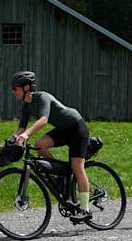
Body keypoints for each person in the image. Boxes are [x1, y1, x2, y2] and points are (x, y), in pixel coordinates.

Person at [8, 70, 93, 218]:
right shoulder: (26, 106)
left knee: (77, 167)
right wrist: (12, 140)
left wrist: (27, 134)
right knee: (40, 144)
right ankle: (62, 176)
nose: (13, 92)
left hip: (77, 127)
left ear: (26, 87)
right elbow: (21, 127)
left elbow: (43, 120)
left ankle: (85, 210)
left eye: (15, 88)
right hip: (63, 129)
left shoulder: (42, 97)